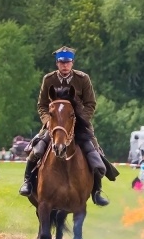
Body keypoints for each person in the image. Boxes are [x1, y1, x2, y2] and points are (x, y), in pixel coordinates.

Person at [18, 46, 116, 206]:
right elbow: (42, 105)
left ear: (72, 63)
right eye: (61, 62)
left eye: (68, 62)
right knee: (36, 150)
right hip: (55, 125)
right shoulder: (48, 79)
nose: (65, 66)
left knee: (95, 152)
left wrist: (80, 120)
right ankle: (28, 182)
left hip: (78, 124)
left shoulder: (83, 78)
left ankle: (96, 191)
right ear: (57, 63)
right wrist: (47, 121)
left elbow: (90, 103)